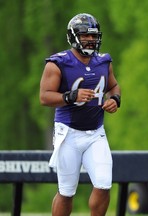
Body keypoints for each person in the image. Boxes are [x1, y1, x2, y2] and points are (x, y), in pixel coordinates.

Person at [39, 13, 121, 216]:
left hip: (96, 132)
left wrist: (115, 100)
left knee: (103, 184)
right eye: (86, 36)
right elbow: (44, 97)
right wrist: (70, 96)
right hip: (68, 132)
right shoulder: (58, 63)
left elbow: (114, 86)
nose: (91, 40)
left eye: (94, 36)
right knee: (66, 191)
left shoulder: (103, 61)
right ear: (74, 36)